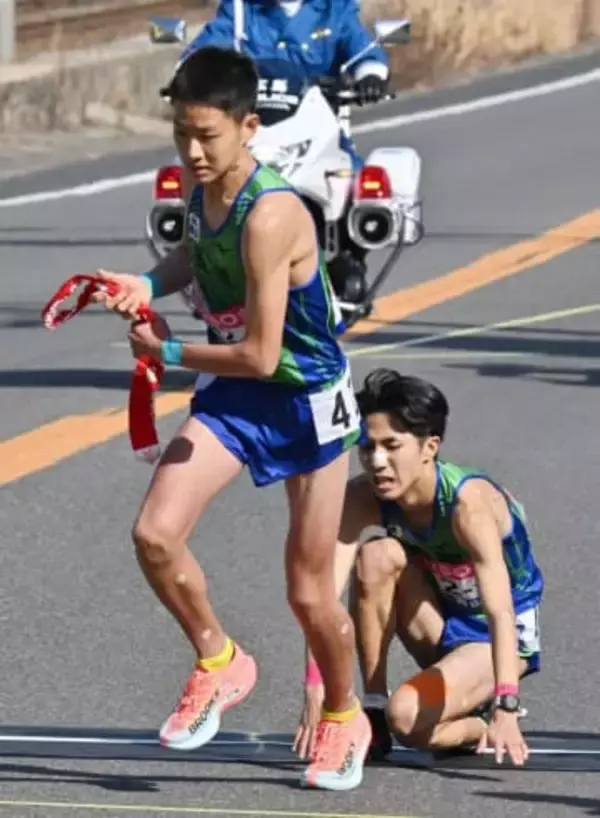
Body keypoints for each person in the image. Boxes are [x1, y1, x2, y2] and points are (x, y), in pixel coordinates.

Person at [93, 45, 372, 791]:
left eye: (208, 135)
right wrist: (142, 279)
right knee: (154, 533)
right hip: (239, 398)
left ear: (248, 126)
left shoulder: (273, 214)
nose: (192, 150)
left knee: (310, 593)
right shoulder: (200, 183)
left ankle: (345, 715)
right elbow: (192, 251)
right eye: (182, 132)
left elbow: (258, 352)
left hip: (302, 399)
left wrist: (168, 346)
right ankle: (220, 659)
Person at [294, 368, 544, 767]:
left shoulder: (469, 505)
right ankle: (372, 710)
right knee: (377, 556)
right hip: (439, 619)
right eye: (367, 447)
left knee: (407, 718)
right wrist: (315, 689)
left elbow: (501, 611)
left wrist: (506, 705)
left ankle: (478, 720)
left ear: (429, 447)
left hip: (496, 636)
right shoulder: (364, 496)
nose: (377, 461)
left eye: (391, 446)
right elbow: (322, 597)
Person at [177, 0, 391, 303]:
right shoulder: (240, 10)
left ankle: (348, 259)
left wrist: (370, 74)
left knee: (360, 183)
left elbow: (361, 47)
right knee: (193, 177)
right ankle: (207, 262)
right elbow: (207, 48)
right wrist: (187, 75)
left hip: (318, 127)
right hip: (251, 128)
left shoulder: (334, 9)